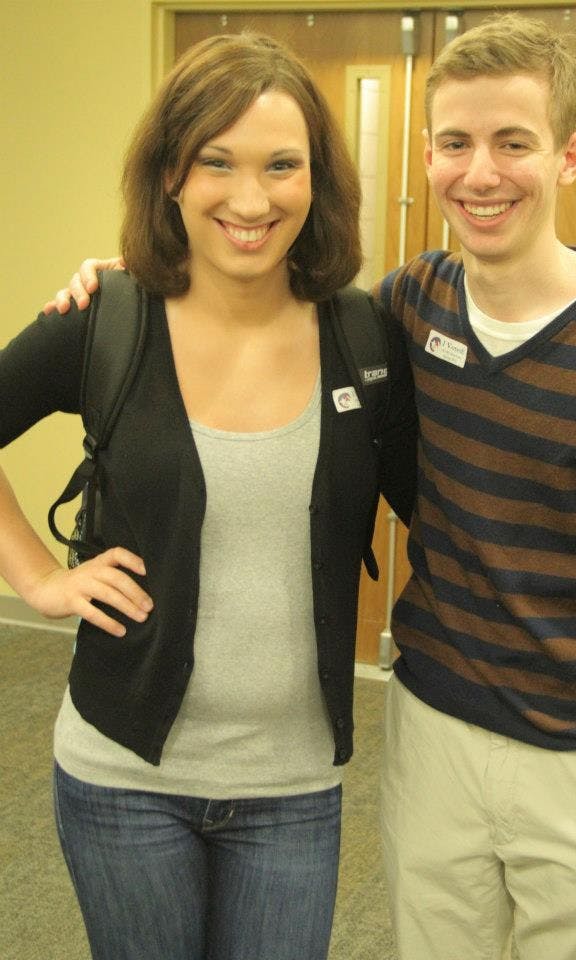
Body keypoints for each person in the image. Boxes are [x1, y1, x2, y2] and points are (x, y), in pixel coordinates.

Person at [48, 13, 576, 960]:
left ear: (568, 156)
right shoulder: (400, 312)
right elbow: (249, 286)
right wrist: (128, 278)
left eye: (512, 143)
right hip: (433, 734)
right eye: (456, 143)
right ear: (429, 156)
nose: (481, 173)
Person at [0, 32, 416, 960]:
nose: (251, 198)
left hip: (294, 788)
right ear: (171, 177)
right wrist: (38, 580)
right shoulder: (107, 319)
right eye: (215, 162)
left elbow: (448, 503)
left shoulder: (364, 337)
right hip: (121, 776)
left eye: (282, 165)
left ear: (318, 181)